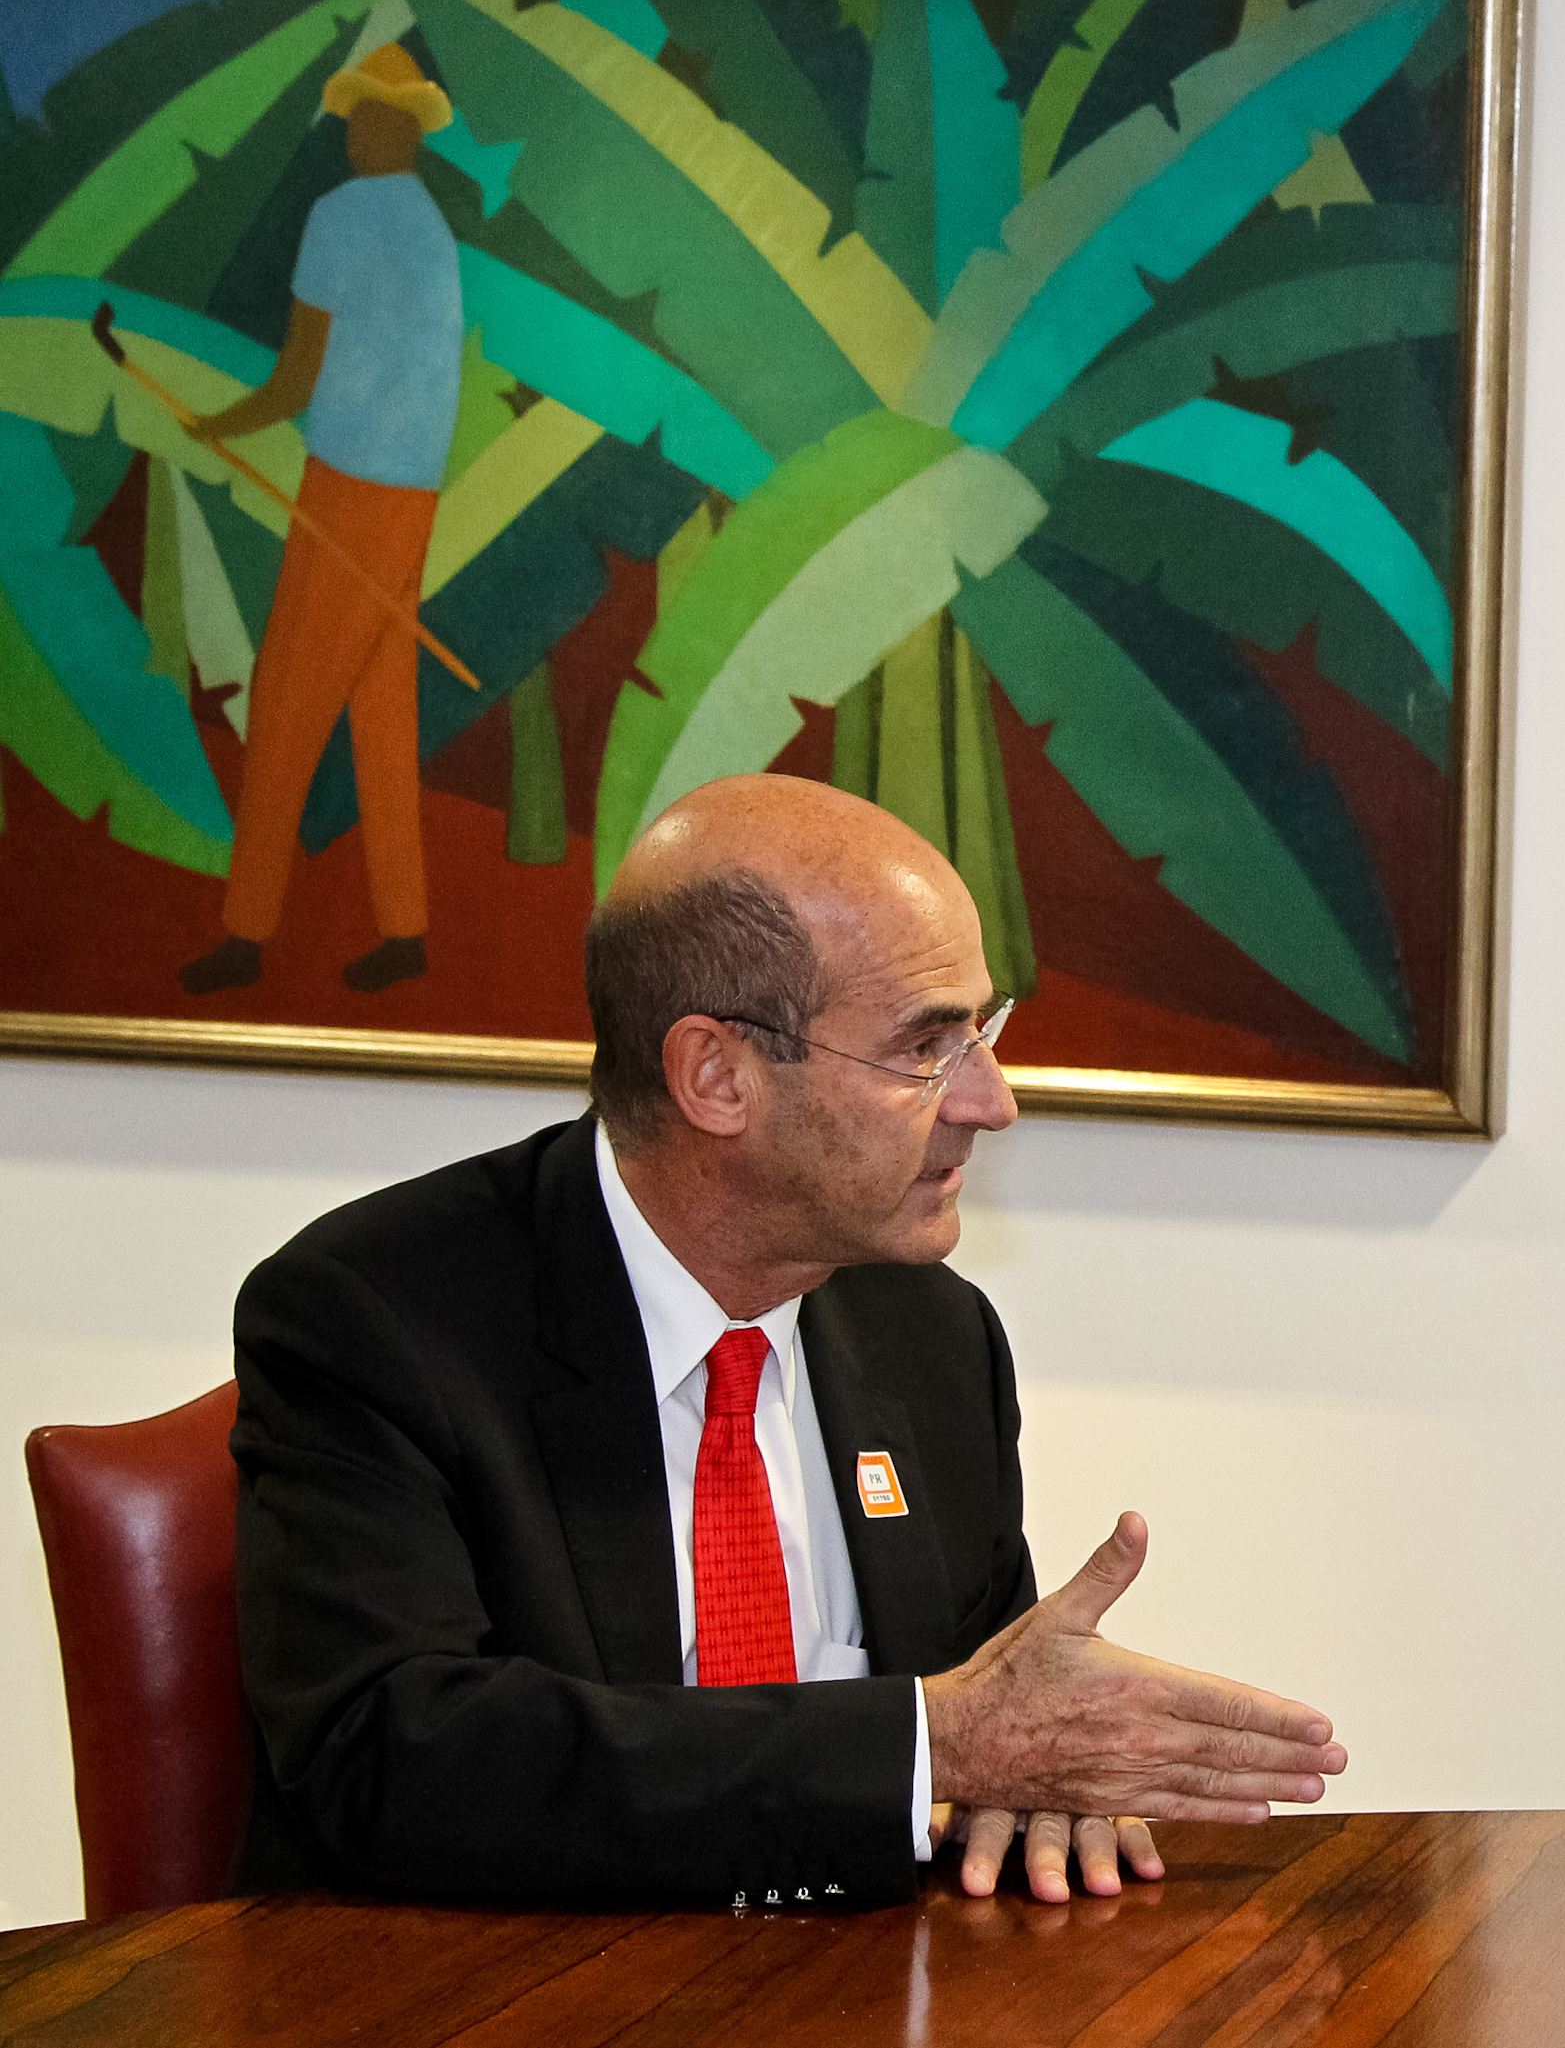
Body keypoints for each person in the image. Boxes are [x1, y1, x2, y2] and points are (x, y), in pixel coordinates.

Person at [231, 772, 1347, 1907]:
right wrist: (929, 1744)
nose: (991, 1100)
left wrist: (1045, 1776)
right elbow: (392, 1758)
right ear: (716, 1075)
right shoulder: (375, 1316)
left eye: (984, 1030)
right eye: (927, 1046)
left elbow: (990, 1724)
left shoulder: (931, 1333)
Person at [178, 43, 463, 998]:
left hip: (348, 489)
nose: (352, 133)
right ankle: (407, 928)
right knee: (381, 717)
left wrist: (215, 422)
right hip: (411, 500)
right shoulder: (430, 228)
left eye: (365, 119)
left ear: (396, 128)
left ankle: (246, 934)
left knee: (287, 707)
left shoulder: (340, 217)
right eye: (350, 118)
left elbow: (294, 379)